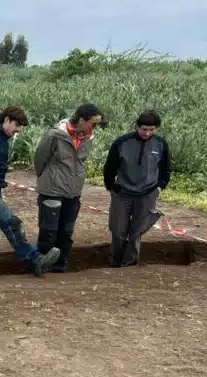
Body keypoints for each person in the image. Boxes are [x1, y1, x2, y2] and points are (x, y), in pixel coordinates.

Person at [0, 105, 61, 278]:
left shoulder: (2, 138)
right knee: (12, 224)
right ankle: (35, 260)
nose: (16, 131)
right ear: (7, 120)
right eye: (16, 126)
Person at [32, 103, 104, 272]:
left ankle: (60, 265)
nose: (96, 127)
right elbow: (39, 160)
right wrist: (49, 179)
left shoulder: (88, 138)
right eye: (94, 123)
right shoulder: (55, 135)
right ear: (81, 120)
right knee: (48, 230)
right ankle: (41, 264)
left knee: (66, 231)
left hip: (74, 191)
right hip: (52, 189)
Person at [103, 110, 171, 267]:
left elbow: (166, 168)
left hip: (147, 194)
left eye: (151, 130)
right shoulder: (122, 143)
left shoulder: (160, 144)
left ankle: (130, 265)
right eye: (144, 129)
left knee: (137, 232)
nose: (147, 133)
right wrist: (111, 187)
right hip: (122, 193)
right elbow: (110, 168)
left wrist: (160, 187)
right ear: (137, 126)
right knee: (118, 231)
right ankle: (115, 263)